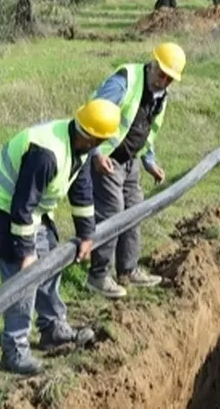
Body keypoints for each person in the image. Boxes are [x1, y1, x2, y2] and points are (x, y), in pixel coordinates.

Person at [0, 98, 122, 375]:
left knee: (50, 258)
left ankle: (52, 328)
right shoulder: (47, 154)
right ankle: (14, 351)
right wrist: (26, 253)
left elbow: (81, 188)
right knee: (23, 279)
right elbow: (21, 207)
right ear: (93, 137)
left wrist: (86, 234)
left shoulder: (81, 145)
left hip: (26, 210)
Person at [70, 42, 186, 300]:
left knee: (135, 209)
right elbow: (93, 115)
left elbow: (148, 129)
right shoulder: (125, 81)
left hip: (131, 160)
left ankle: (128, 270)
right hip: (108, 158)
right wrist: (96, 154)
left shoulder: (161, 95)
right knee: (112, 211)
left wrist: (149, 161)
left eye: (169, 79)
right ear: (152, 64)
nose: (163, 81)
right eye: (161, 74)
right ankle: (98, 275)